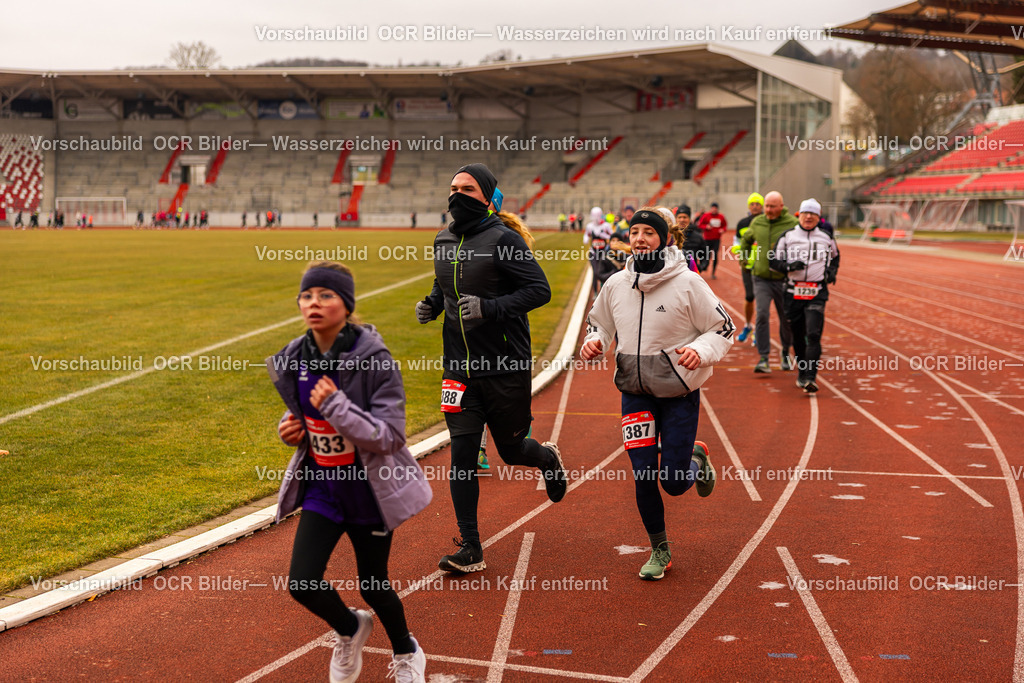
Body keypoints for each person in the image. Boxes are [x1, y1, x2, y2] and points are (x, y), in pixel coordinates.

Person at [268, 261, 430, 683]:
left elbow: (390, 436)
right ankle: (350, 628)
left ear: (347, 304)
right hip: (324, 487)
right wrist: (292, 428)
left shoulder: (374, 360)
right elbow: (306, 415)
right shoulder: (295, 356)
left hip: (369, 490)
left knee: (374, 585)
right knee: (301, 583)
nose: (313, 304)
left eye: (325, 295)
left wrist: (337, 407)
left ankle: (406, 651)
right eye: (307, 296)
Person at [415, 163, 566, 574]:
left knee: (512, 451)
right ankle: (471, 547)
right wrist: (431, 304)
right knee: (462, 456)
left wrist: (491, 307)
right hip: (458, 370)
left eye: (466, 188)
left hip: (503, 367)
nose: (456, 195)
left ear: (487, 197)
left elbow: (540, 290)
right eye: (452, 187)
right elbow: (445, 285)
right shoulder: (442, 239)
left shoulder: (504, 239)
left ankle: (547, 459)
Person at [580, 207, 733, 580]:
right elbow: (599, 322)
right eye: (635, 231)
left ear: (665, 238)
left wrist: (702, 351)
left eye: (649, 231)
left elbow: (722, 328)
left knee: (675, 483)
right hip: (634, 393)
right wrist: (594, 340)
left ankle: (695, 461)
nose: (640, 238)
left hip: (679, 393)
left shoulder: (688, 283)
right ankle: (659, 548)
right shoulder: (617, 284)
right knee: (644, 474)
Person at [769, 199, 840, 394]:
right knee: (798, 336)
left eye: (813, 214)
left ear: (818, 217)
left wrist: (831, 273)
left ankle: (811, 377)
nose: (809, 217)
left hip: (817, 293)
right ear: (799, 215)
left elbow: (835, 256)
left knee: (814, 334)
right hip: (792, 292)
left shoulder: (826, 237)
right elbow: (773, 260)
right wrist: (789, 267)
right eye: (805, 213)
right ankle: (802, 371)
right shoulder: (788, 236)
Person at [738, 191, 796, 373]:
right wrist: (744, 258)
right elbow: (746, 240)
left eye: (772, 207)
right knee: (762, 314)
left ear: (781, 206)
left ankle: (786, 352)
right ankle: (764, 358)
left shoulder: (792, 224)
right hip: (761, 277)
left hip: (784, 279)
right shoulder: (758, 222)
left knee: (786, 318)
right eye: (767, 207)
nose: (768, 210)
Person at [731, 193, 764, 343]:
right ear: (749, 206)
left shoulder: (767, 221)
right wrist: (739, 250)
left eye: (758, 203)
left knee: (762, 299)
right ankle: (747, 325)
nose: (755, 206)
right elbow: (736, 243)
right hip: (747, 266)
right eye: (752, 203)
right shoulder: (742, 223)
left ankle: (758, 330)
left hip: (764, 265)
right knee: (750, 296)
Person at [583, 206, 614, 293]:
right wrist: (585, 238)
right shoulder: (590, 226)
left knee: (603, 272)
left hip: (604, 252)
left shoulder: (606, 226)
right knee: (595, 272)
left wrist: (605, 236)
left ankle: (602, 290)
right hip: (593, 252)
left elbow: (613, 237)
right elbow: (586, 234)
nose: (596, 218)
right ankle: (596, 292)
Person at [696, 202, 728, 278]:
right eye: (713, 208)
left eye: (715, 208)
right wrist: (706, 226)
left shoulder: (721, 216)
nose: (714, 210)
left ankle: (713, 273)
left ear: (717, 209)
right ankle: (704, 266)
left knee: (715, 255)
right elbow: (700, 224)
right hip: (707, 239)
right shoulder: (706, 215)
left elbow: (725, 226)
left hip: (716, 239)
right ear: (711, 208)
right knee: (706, 254)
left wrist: (722, 230)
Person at [670, 205, 705, 273]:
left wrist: (701, 267)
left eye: (684, 217)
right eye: (679, 217)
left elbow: (704, 254)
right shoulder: (670, 236)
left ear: (689, 218)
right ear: (676, 219)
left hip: (691, 272)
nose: (682, 220)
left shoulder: (698, 236)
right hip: (674, 273)